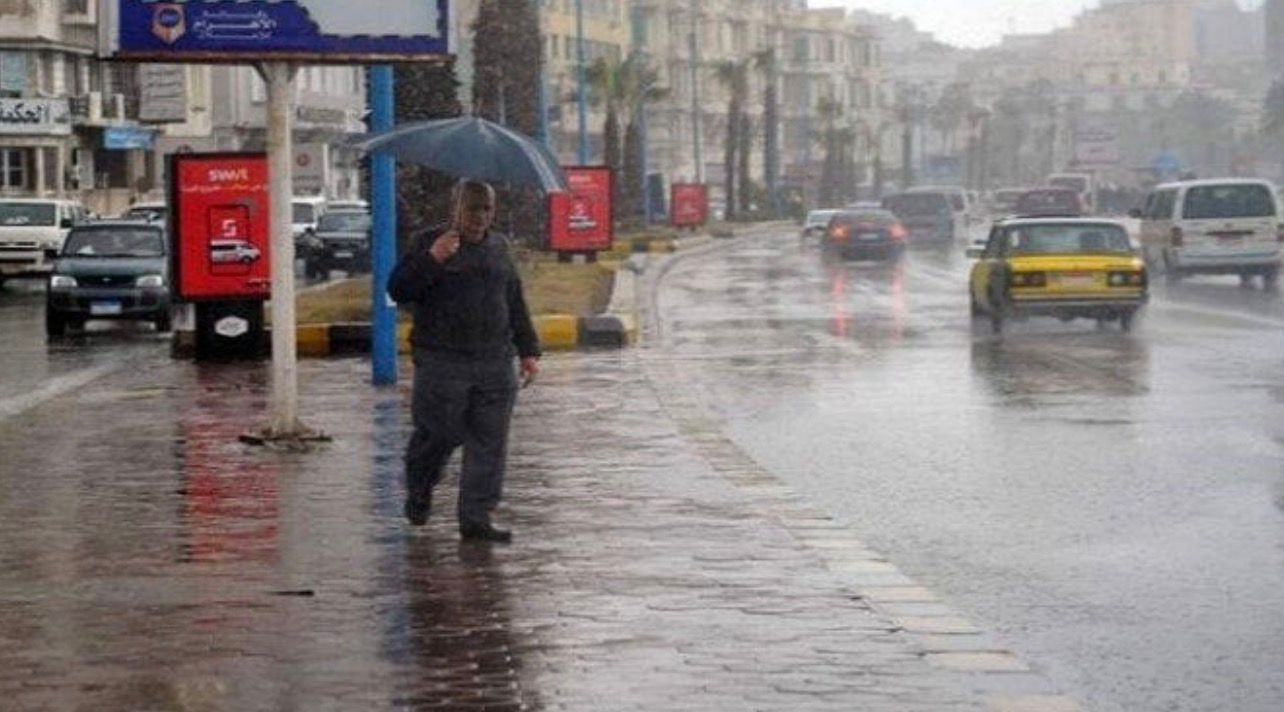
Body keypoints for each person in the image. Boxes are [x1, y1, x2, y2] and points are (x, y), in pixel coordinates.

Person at [388, 180, 541, 543]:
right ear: (456, 207)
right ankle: (420, 489)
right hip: (442, 361)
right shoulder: (430, 242)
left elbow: (513, 299)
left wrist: (528, 350)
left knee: (489, 442)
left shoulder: (498, 247)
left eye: (487, 208)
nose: (480, 217)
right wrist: (433, 259)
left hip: (494, 361)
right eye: (473, 208)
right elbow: (399, 289)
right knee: (439, 435)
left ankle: (476, 517)